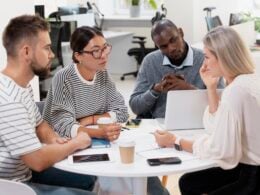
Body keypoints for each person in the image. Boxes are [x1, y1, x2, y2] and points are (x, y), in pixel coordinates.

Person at [154, 26, 260, 194]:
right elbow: (217, 127)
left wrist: (175, 141)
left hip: (253, 176)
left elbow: (221, 151)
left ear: (223, 57)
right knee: (189, 182)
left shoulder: (236, 91)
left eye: (207, 57)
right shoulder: (246, 79)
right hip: (245, 166)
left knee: (190, 183)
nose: (204, 63)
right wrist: (211, 88)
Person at [0, 15, 96, 195]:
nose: (52, 55)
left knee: (87, 178)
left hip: (24, 173)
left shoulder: (21, 86)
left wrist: (54, 140)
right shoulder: (8, 99)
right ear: (26, 52)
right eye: (47, 48)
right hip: (11, 187)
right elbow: (37, 160)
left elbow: (39, 124)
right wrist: (75, 143)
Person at [43, 26, 128, 140]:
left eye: (105, 48)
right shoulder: (64, 78)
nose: (103, 56)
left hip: (87, 136)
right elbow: (63, 126)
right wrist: (98, 133)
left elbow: (122, 112)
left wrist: (91, 119)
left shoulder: (102, 74)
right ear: (78, 56)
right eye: (96, 51)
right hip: (58, 141)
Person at [129, 19, 224, 118]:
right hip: (160, 126)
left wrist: (189, 89)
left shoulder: (206, 60)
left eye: (173, 40)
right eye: (163, 46)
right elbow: (135, 107)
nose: (171, 48)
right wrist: (155, 90)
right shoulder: (150, 61)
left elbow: (222, 105)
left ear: (181, 33)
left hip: (198, 123)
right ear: (158, 47)